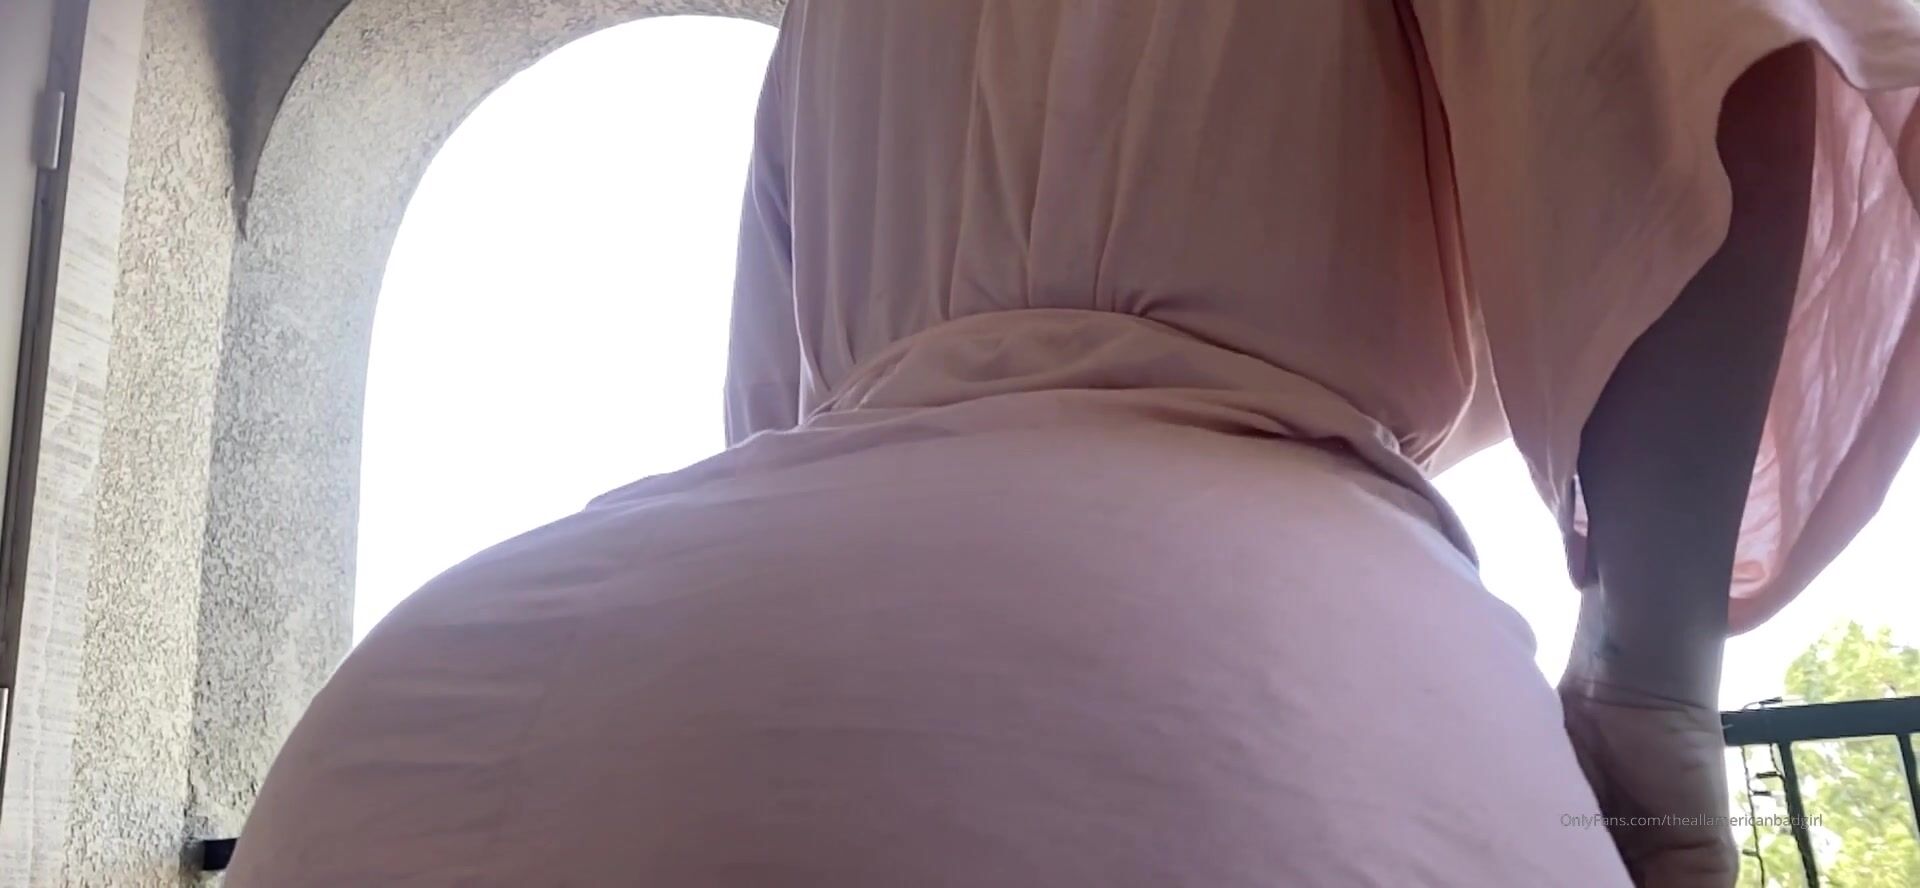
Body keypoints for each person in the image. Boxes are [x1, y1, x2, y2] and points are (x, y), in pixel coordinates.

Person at [229, 1, 1920, 885]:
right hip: (1247, 731)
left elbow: (770, 408)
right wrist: (1642, 696)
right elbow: (1712, 73)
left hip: (436, 743)